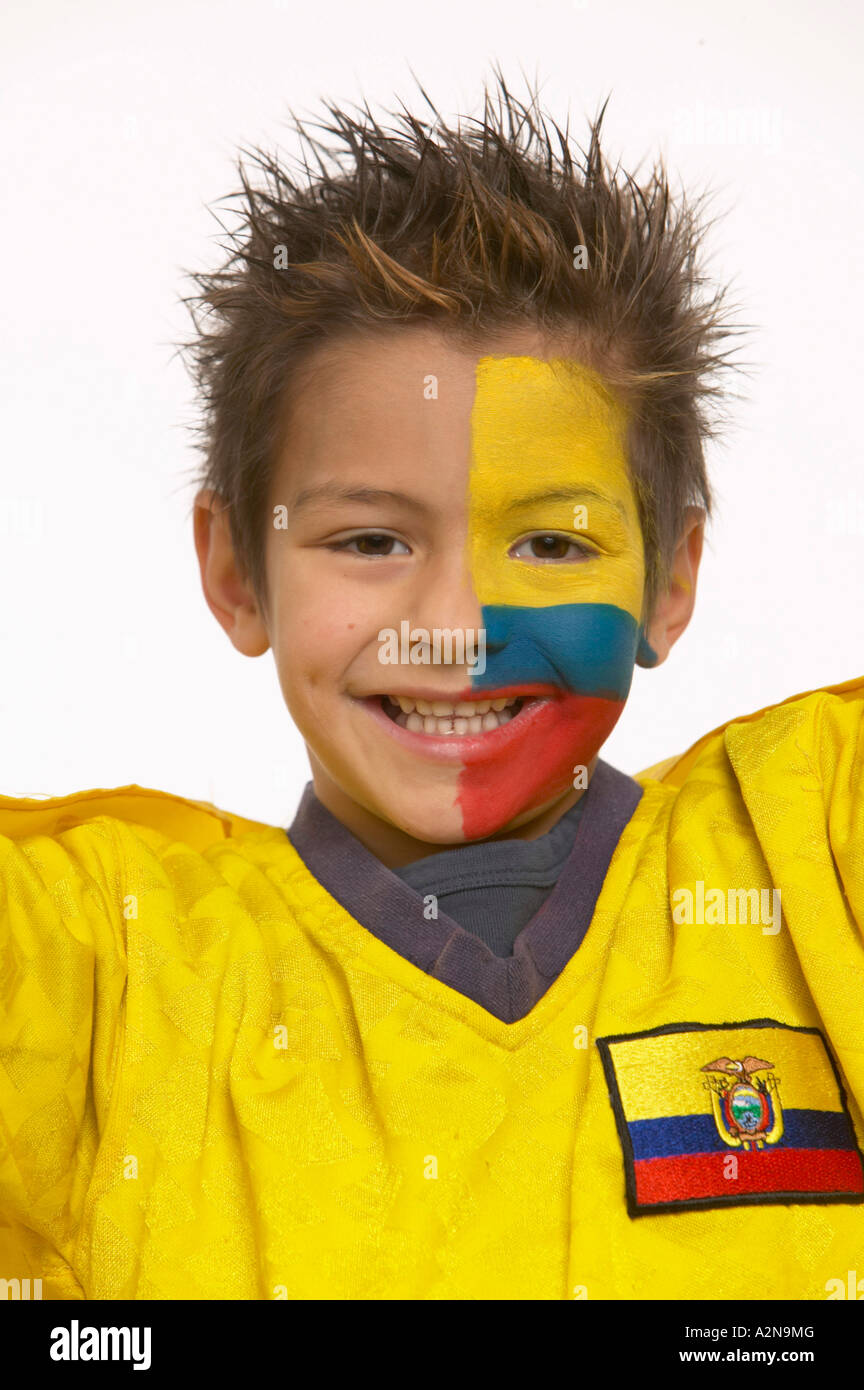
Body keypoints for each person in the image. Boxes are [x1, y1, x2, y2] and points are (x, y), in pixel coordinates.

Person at [1, 77, 861, 1301]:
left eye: (553, 545)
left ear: (672, 577)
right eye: (370, 542)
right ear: (237, 572)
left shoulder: (809, 848)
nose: (456, 633)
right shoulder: (97, 963)